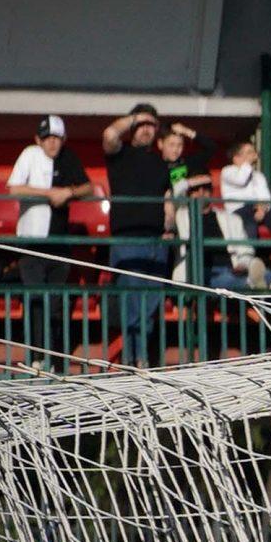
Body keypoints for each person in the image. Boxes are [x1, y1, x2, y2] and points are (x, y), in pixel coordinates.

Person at [6, 117, 97, 364]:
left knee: (56, 301)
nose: (52, 143)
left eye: (56, 138)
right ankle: (35, 356)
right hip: (31, 240)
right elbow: (14, 188)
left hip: (59, 241)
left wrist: (69, 192)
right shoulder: (29, 155)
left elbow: (89, 187)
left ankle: (53, 357)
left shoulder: (68, 157)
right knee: (36, 298)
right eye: (47, 138)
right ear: (38, 140)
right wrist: (49, 194)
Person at [100, 106, 176, 367]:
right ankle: (131, 362)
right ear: (132, 126)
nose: (146, 129)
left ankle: (142, 362)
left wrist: (170, 228)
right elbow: (109, 134)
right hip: (127, 239)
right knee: (131, 306)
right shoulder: (120, 154)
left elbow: (168, 200)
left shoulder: (159, 162)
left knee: (149, 308)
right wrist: (134, 118)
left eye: (152, 125)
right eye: (142, 124)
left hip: (156, 241)